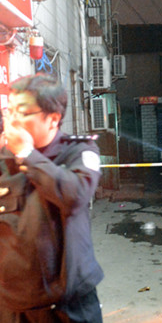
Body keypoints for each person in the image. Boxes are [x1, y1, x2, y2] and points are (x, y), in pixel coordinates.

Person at [0, 74, 104, 322]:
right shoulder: (3, 158)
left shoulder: (78, 151)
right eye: (9, 111)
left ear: (53, 119)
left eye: (23, 113)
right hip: (14, 306)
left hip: (66, 307)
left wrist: (27, 154)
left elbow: (76, 194)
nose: (12, 120)